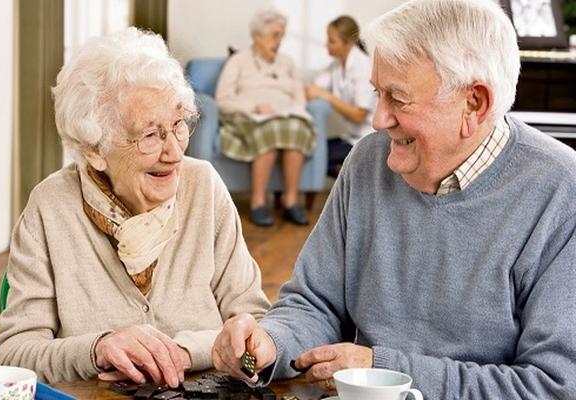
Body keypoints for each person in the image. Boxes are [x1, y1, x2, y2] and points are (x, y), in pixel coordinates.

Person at [212, 0, 576, 398]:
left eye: (397, 99)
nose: (377, 119)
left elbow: (552, 386)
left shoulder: (561, 192)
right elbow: (315, 303)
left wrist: (385, 370)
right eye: (377, 93)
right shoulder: (368, 161)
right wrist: (272, 342)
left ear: (474, 103)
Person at [0, 28, 270, 385]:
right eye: (150, 135)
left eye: (178, 125)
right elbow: (14, 355)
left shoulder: (204, 187)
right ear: (94, 149)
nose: (174, 152)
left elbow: (255, 325)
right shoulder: (51, 207)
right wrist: (97, 348)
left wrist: (183, 353)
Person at [215, 9, 316, 227]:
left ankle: (290, 201)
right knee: (269, 131)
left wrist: (295, 110)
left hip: (285, 115)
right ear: (257, 36)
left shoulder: (287, 63)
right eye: (275, 35)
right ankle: (258, 203)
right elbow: (223, 99)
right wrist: (254, 106)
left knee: (296, 128)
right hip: (250, 115)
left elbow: (299, 97)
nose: (279, 41)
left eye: (282, 35)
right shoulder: (238, 61)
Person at [306, 15, 377, 177]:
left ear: (348, 43)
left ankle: (349, 177)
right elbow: (313, 89)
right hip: (351, 137)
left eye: (332, 41)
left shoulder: (362, 66)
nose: (327, 44)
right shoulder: (337, 65)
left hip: (369, 137)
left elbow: (360, 115)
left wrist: (327, 96)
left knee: (317, 159)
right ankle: (347, 176)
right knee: (311, 151)